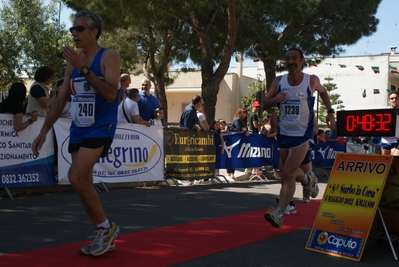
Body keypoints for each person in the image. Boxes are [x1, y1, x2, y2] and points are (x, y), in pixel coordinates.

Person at [32, 10, 120, 256]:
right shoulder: (72, 62)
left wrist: (84, 69)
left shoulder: (108, 57)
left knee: (75, 177)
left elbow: (112, 94)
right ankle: (104, 234)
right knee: (84, 183)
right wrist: (43, 132)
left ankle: (106, 228)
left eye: (80, 29)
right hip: (78, 128)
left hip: (101, 125)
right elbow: (59, 102)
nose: (74, 33)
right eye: (72, 29)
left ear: (94, 32)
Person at [262, 47, 335, 228]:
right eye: (288, 59)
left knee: (287, 172)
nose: (291, 62)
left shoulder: (311, 80)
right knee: (285, 173)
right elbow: (264, 104)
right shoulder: (279, 81)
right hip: (284, 132)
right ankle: (307, 179)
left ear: (302, 61)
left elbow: (324, 92)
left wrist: (330, 112)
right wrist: (275, 99)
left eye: (295, 58)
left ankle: (279, 213)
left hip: (303, 133)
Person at [227, 108, 250, 179]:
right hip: (234, 140)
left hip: (239, 141)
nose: (245, 114)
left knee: (235, 157)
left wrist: (245, 131)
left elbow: (245, 129)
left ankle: (232, 173)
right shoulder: (237, 120)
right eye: (243, 112)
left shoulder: (243, 121)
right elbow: (239, 129)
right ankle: (229, 173)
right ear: (239, 112)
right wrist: (245, 131)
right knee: (231, 156)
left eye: (245, 112)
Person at [380, 91, 399, 155]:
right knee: (386, 162)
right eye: (392, 98)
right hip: (385, 141)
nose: (394, 100)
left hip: (397, 140)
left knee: (395, 159)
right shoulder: (384, 112)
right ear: (389, 101)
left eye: (396, 98)